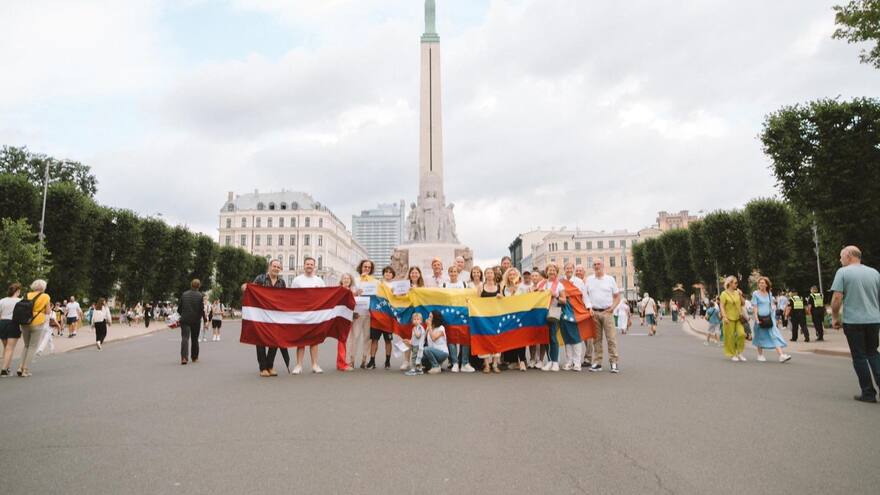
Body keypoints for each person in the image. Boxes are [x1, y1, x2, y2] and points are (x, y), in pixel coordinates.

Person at [830, 246, 880, 403]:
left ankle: (868, 393)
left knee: (859, 357)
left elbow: (837, 298)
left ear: (849, 255)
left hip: (854, 321)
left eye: (841, 256)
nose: (840, 260)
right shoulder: (874, 273)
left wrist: (834, 317)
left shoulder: (843, 272)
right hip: (873, 320)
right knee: (873, 353)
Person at [243, 258, 290, 377]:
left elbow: (284, 298)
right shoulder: (260, 278)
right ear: (269, 267)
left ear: (280, 269)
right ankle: (263, 367)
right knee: (261, 340)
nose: (276, 269)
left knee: (275, 340)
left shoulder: (281, 282)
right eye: (274, 266)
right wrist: (246, 287)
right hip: (261, 315)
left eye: (278, 267)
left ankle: (270, 365)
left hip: (275, 316)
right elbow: (250, 289)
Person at [292, 257, 326, 374]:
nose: (309, 266)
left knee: (314, 341)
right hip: (301, 314)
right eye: (307, 264)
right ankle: (298, 365)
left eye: (311, 264)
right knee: (301, 341)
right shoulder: (297, 280)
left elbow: (324, 297)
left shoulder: (319, 281)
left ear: (314, 266)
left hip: (315, 315)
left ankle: (315, 365)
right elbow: (292, 296)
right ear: (304, 265)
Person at [587, 259, 620, 373]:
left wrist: (613, 307)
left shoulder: (610, 279)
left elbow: (617, 296)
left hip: (607, 312)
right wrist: (589, 307)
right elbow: (585, 295)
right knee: (596, 339)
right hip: (594, 312)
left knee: (611, 338)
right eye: (594, 265)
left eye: (598, 264)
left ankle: (614, 362)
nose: (596, 266)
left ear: (603, 266)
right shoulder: (589, 280)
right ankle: (597, 362)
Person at [751, 277, 792, 363]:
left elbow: (771, 305)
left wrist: (773, 309)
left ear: (766, 284)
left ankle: (781, 355)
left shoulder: (769, 294)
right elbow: (755, 307)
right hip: (760, 319)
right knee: (760, 336)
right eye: (760, 283)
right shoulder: (755, 294)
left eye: (763, 283)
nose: (761, 284)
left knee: (774, 335)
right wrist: (757, 319)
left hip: (769, 318)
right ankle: (760, 354)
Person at [16, 280, 52, 377]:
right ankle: (25, 370)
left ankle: (20, 367)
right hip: (38, 322)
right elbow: (48, 311)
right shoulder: (46, 296)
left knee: (26, 345)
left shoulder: (27, 295)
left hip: (25, 321)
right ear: (43, 287)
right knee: (32, 346)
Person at [443, 265, 473, 373]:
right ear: (448, 273)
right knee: (451, 339)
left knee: (465, 337)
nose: (453, 273)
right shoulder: (444, 285)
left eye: (455, 271)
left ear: (457, 273)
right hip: (450, 315)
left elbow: (473, 295)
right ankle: (455, 363)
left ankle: (464, 363)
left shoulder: (464, 284)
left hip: (463, 314)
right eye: (451, 271)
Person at [353, 260, 381, 369]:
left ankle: (364, 359)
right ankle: (351, 360)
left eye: (369, 267)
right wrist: (356, 292)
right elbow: (350, 294)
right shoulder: (355, 280)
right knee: (355, 337)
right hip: (357, 312)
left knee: (367, 338)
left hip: (370, 313)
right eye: (365, 266)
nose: (367, 269)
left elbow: (381, 294)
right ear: (361, 267)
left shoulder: (375, 282)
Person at [501, 267, 530, 371]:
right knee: (511, 338)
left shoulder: (522, 288)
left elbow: (527, 300)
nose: (512, 276)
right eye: (510, 274)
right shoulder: (504, 288)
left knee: (520, 337)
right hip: (509, 317)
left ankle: (522, 360)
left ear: (517, 276)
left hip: (520, 316)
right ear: (507, 277)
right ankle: (513, 361)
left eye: (514, 274)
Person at [540, 263, 565, 372]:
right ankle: (549, 360)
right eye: (549, 270)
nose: (551, 272)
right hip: (542, 313)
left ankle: (555, 361)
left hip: (553, 311)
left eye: (553, 270)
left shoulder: (559, 285)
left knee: (553, 337)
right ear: (546, 272)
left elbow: (564, 300)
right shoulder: (542, 284)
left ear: (556, 272)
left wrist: (555, 295)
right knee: (545, 337)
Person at [479, 266, 503, 373]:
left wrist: (500, 297)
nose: (489, 274)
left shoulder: (499, 286)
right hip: (484, 317)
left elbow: (503, 301)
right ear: (485, 275)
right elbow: (477, 301)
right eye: (487, 273)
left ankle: (495, 363)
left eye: (491, 273)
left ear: (494, 275)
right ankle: (486, 364)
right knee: (485, 339)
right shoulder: (481, 286)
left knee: (497, 339)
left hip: (496, 317)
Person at [178, 279, 206, 365]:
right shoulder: (200, 295)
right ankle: (194, 357)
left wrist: (182, 314)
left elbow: (179, 309)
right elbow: (202, 310)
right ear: (199, 286)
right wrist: (205, 320)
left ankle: (184, 358)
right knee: (195, 339)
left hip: (185, 319)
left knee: (185, 338)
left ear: (191, 285)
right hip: (195, 320)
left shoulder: (184, 294)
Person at [719, 276, 747, 362]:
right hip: (729, 318)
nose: (737, 284)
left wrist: (741, 294)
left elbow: (743, 303)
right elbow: (722, 306)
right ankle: (732, 354)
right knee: (730, 337)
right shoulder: (724, 294)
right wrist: (724, 317)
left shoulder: (737, 292)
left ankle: (739, 352)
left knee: (742, 334)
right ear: (730, 283)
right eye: (735, 283)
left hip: (739, 318)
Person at [0, 283, 22, 376]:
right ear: (17, 291)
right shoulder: (20, 301)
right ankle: (4, 370)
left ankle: (7, 367)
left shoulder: (2, 300)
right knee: (10, 348)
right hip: (13, 323)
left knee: (6, 347)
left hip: (2, 323)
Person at [337, 273, 357, 372]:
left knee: (344, 340)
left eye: (348, 278)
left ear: (351, 280)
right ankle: (341, 364)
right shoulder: (338, 290)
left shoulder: (352, 291)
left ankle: (340, 362)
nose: (346, 280)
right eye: (344, 278)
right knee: (342, 340)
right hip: (341, 318)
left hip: (349, 318)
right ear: (341, 280)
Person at [404, 312, 426, 376]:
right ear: (412, 320)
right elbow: (414, 338)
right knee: (418, 357)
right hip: (415, 345)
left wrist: (414, 330)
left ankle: (413, 369)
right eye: (414, 319)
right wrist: (409, 341)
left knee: (414, 357)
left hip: (418, 346)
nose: (416, 321)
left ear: (421, 321)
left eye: (418, 319)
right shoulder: (415, 327)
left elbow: (418, 336)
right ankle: (419, 369)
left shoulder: (419, 328)